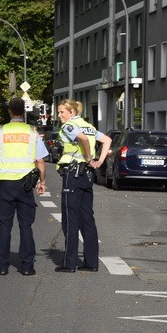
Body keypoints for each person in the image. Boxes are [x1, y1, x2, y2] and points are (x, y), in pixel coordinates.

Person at [0, 98, 48, 276]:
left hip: (5, 184)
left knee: (4, 226)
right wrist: (42, 182)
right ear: (23, 111)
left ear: (10, 112)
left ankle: (2, 266)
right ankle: (27, 266)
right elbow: (40, 161)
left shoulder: (1, 131)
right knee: (26, 226)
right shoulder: (32, 132)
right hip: (26, 185)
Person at [55, 99, 110, 273]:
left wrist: (88, 158)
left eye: (62, 112)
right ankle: (91, 262)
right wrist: (98, 161)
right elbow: (107, 140)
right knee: (87, 219)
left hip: (74, 174)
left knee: (70, 219)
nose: (59, 115)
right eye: (59, 112)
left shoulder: (69, 126)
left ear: (71, 112)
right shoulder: (88, 125)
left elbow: (82, 139)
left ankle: (70, 263)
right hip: (87, 176)